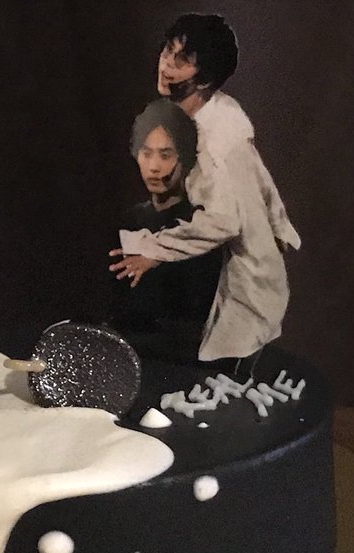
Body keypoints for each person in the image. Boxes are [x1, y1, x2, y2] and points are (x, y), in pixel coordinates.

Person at [109, 13, 300, 374]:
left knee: (224, 367)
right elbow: (262, 181)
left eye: (182, 60)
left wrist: (156, 252)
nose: (166, 65)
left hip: (242, 277)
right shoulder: (216, 111)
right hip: (232, 259)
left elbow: (225, 220)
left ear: (206, 78)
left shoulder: (213, 140)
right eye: (168, 51)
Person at [107, 99, 223, 361]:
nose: (154, 167)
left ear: (186, 158)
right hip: (125, 355)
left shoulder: (201, 227)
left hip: (183, 361)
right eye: (146, 153)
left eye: (165, 155)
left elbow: (193, 322)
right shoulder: (130, 219)